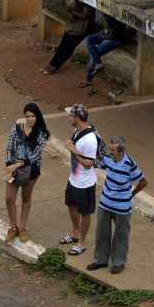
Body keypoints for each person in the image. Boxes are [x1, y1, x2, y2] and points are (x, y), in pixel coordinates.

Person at [87, 136, 147, 274]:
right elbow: (95, 163)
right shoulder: (108, 159)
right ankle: (100, 260)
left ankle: (118, 262)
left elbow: (143, 182)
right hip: (105, 203)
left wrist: (131, 194)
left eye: (112, 149)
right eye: (110, 148)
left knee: (121, 235)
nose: (110, 151)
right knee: (101, 233)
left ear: (121, 151)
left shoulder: (130, 164)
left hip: (122, 207)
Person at [3, 103, 50, 244]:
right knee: (9, 198)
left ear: (37, 117)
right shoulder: (16, 129)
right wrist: (8, 164)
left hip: (31, 170)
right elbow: (9, 147)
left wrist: (16, 165)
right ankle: (13, 227)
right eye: (27, 116)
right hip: (13, 168)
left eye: (33, 116)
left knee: (26, 197)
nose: (30, 119)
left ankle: (22, 227)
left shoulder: (41, 133)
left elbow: (34, 156)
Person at [60, 104, 98, 256]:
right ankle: (75, 233)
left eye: (71, 115)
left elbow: (89, 164)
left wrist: (73, 150)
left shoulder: (90, 140)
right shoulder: (77, 130)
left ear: (77, 117)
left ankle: (81, 243)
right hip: (74, 179)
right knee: (70, 204)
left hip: (85, 183)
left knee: (85, 212)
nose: (69, 118)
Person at [41, 1, 96, 75]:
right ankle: (52, 64)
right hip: (73, 26)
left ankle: (55, 66)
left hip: (81, 29)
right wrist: (72, 10)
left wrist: (72, 11)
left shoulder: (88, 1)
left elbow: (84, 16)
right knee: (62, 46)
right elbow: (69, 9)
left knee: (68, 49)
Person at [79, 14, 128, 87]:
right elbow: (107, 29)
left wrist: (104, 36)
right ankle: (98, 64)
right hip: (107, 35)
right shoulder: (107, 13)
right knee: (89, 39)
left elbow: (115, 33)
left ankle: (88, 79)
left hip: (115, 39)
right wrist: (103, 33)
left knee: (95, 53)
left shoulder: (117, 16)